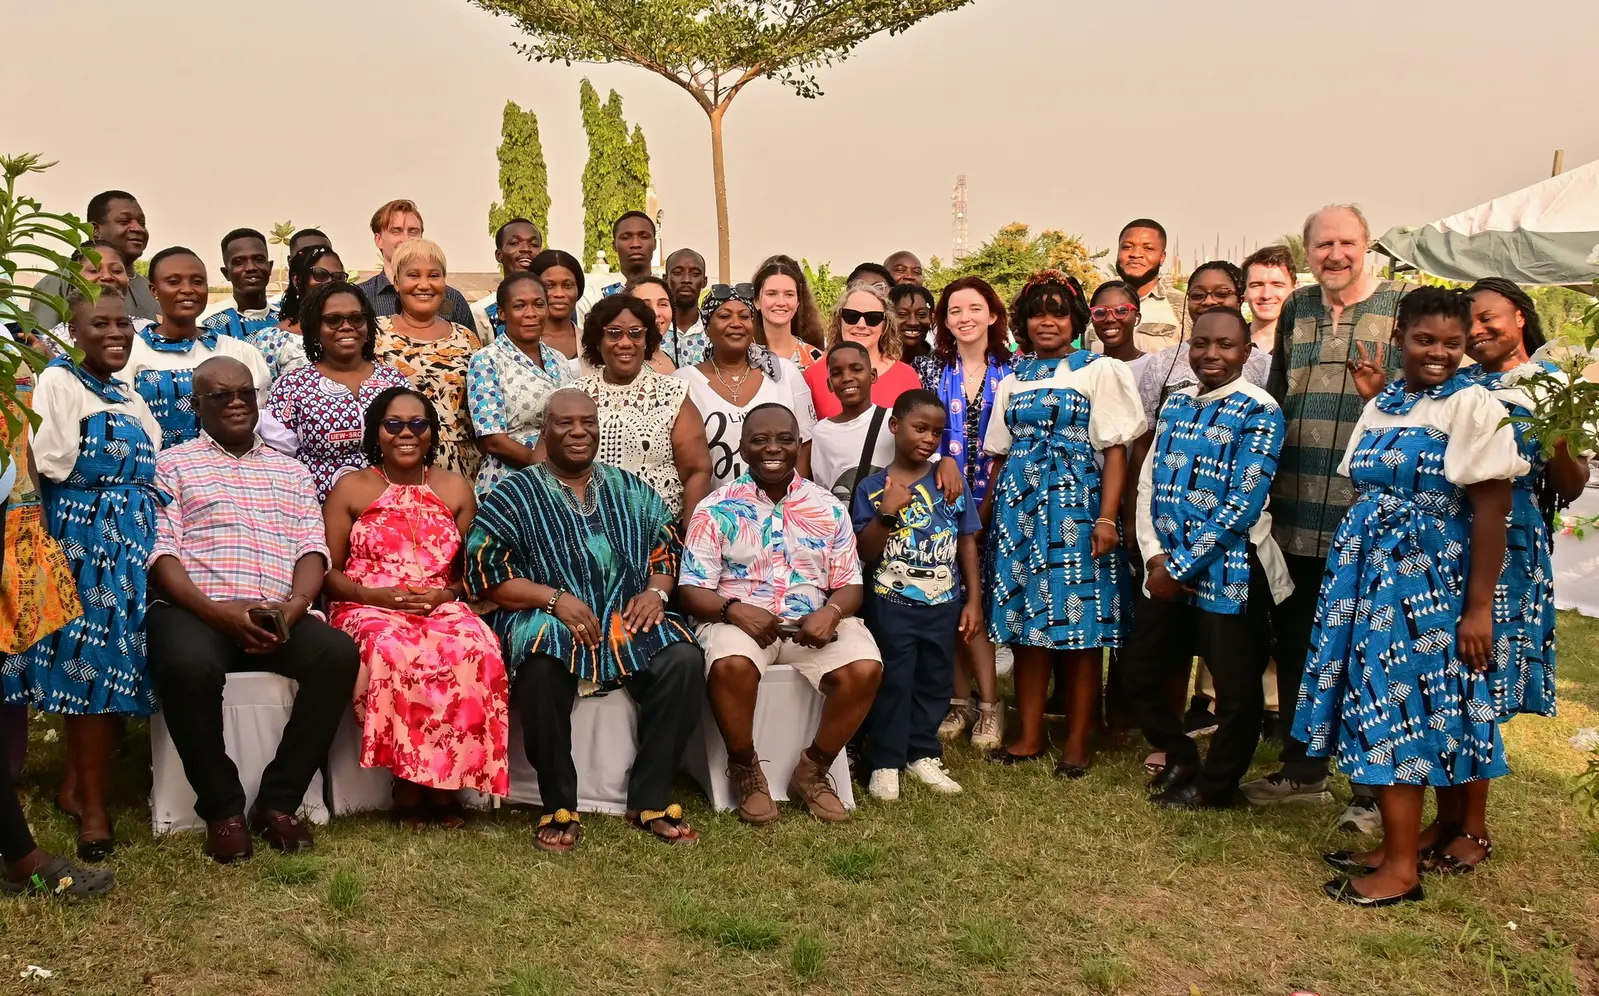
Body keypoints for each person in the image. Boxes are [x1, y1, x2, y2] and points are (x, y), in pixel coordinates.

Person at [1333, 279, 1588, 875]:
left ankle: (1470, 828)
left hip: (1502, 543)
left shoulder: (1546, 386)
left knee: (1478, 685)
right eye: (1464, 322)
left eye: (1485, 318)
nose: (1475, 332)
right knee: (1448, 690)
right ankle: (1442, 823)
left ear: (1521, 317)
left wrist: (1555, 425)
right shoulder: (1455, 385)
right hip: (1445, 537)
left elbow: (1566, 484)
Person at [1294, 287, 1525, 906]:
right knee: (1377, 704)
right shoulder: (1387, 403)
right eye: (1426, 340)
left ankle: (1400, 869)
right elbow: (1362, 483)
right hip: (1369, 579)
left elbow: (1493, 509)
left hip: (1427, 584)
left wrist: (1477, 609)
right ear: (1400, 339)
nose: (1441, 353)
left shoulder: (1473, 403)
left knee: (1400, 712)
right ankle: (1399, 845)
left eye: (1453, 343)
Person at [465, 390, 705, 851]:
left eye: (588, 422)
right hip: (544, 617)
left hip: (624, 617)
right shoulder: (514, 494)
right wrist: (553, 599)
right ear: (545, 430)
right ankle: (559, 803)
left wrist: (657, 592)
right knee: (538, 660)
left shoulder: (629, 487)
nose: (579, 432)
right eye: (565, 423)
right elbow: (487, 574)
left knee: (682, 657)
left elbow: (665, 548)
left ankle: (650, 797)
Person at [146, 357, 359, 861]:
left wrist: (296, 607)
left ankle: (278, 802)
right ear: (197, 405)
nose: (238, 402)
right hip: (197, 608)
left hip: (276, 611)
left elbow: (313, 547)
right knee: (184, 664)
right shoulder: (172, 465)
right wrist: (215, 613)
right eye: (221, 396)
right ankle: (221, 808)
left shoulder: (291, 470)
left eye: (245, 393)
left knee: (337, 655)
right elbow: (161, 553)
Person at [1245, 205, 1411, 834]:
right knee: (1296, 641)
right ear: (1307, 251)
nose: (1334, 255)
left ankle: (1371, 790)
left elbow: (1421, 398)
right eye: (1322, 245)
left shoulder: (1401, 306)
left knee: (1368, 650)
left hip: (1366, 513)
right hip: (1293, 509)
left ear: (1365, 245)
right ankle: (1303, 769)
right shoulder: (1298, 309)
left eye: (1346, 243)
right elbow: (1282, 392)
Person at [1, 288, 162, 862]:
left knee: (121, 660)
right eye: (100, 324)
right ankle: (92, 808)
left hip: (136, 539)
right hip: (88, 540)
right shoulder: (60, 382)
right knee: (93, 666)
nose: (116, 333)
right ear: (74, 332)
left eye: (124, 323)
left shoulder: (128, 392)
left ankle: (75, 784)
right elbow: (51, 462)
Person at [679, 404, 884, 824]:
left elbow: (850, 583)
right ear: (742, 447)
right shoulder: (715, 508)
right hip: (737, 621)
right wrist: (734, 610)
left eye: (784, 439)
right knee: (731, 664)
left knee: (865, 667)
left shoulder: (826, 506)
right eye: (760, 440)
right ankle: (746, 768)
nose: (773, 448)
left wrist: (831, 612)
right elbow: (691, 589)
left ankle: (812, 770)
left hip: (810, 625)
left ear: (797, 445)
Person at [1127, 308, 1290, 809]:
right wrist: (1156, 559)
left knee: (1236, 689)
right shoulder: (1176, 403)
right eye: (1201, 344)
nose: (1211, 355)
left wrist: (1178, 571)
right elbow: (1150, 482)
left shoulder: (1259, 410)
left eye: (1225, 345)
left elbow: (1240, 507)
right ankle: (1179, 754)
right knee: (1139, 668)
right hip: (1167, 568)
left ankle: (1216, 787)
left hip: (1232, 568)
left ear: (1246, 352)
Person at [984, 271, 1145, 775]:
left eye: (1057, 311)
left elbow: (1116, 451)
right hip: (1019, 513)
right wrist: (983, 517)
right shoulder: (1013, 380)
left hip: (1077, 510)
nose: (1046, 321)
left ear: (1075, 320)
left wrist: (1107, 519)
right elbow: (998, 454)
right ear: (1023, 323)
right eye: (1036, 312)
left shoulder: (1099, 371)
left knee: (1082, 629)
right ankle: (1030, 734)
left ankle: (1078, 738)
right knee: (1026, 629)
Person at [325, 386, 509, 828]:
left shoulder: (453, 487)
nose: (405, 433)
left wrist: (447, 596)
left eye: (417, 424)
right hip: (366, 604)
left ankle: (445, 783)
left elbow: (474, 569)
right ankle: (407, 781)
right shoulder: (353, 488)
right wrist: (373, 596)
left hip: (439, 603)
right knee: (393, 651)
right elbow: (327, 572)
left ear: (431, 433)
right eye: (393, 424)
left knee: (475, 648)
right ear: (376, 433)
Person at [852, 390, 982, 800]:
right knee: (894, 679)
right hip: (890, 604)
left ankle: (922, 752)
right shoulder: (872, 487)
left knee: (934, 680)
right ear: (895, 426)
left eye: (937, 432)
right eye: (919, 428)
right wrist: (887, 511)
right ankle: (886, 760)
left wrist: (973, 600)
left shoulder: (949, 480)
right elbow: (863, 553)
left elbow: (966, 542)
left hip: (943, 602)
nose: (928, 438)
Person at [920, 277, 1013, 748]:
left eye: (975, 308)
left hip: (1002, 503)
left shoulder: (1017, 370)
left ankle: (991, 709)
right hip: (947, 501)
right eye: (955, 310)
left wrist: (991, 497)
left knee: (987, 606)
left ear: (992, 315)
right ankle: (959, 703)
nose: (965, 317)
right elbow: (924, 430)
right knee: (952, 601)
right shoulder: (934, 371)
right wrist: (946, 459)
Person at [262, 282, 410, 502]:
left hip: (390, 511)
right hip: (316, 511)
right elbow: (276, 461)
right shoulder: (292, 386)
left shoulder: (394, 381)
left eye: (356, 318)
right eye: (333, 320)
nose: (346, 326)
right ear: (314, 327)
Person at [573, 294, 712, 519]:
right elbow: (546, 467)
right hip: (588, 531)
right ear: (598, 340)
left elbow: (697, 470)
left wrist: (688, 532)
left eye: (635, 333)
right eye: (614, 333)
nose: (625, 342)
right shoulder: (575, 396)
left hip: (659, 535)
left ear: (647, 340)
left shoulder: (672, 393)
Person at [674, 283, 817, 489]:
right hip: (717, 514)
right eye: (724, 316)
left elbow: (806, 445)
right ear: (706, 327)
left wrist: (791, 501)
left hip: (780, 509)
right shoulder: (683, 382)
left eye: (744, 316)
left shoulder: (784, 372)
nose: (736, 323)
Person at [127, 247, 270, 451]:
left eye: (197, 281)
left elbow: (258, 424)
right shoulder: (132, 352)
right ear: (154, 290)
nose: (187, 289)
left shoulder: (237, 352)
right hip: (153, 474)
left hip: (226, 475)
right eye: (174, 282)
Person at [373, 239, 483, 481]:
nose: (424, 285)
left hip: (463, 468)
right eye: (414, 275)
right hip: (395, 463)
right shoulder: (375, 334)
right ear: (397, 282)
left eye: (434, 275)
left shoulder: (466, 338)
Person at [466, 272, 575, 495]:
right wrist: (547, 469)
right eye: (519, 306)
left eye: (538, 304)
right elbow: (492, 440)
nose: (531, 314)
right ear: (502, 313)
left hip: (563, 481)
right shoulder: (487, 360)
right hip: (510, 481)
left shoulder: (559, 360)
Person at [1135, 261, 1273, 428]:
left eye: (1221, 293)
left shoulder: (1264, 365)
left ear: (1240, 300)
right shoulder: (1161, 364)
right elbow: (1147, 437)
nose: (1208, 301)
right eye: (1198, 295)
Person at [27, 190, 156, 325]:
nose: (138, 228)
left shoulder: (153, 289)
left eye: (142, 223)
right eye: (125, 221)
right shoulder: (61, 281)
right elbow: (42, 341)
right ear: (95, 230)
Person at [356, 199, 479, 335]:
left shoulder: (452, 299)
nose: (406, 238)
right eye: (396, 231)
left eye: (413, 231)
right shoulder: (360, 297)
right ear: (378, 240)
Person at [805, 282, 922, 420]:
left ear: (885, 324)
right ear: (839, 320)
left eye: (872, 318)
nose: (861, 325)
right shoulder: (812, 376)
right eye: (851, 316)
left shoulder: (906, 377)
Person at [32, 241, 155, 358]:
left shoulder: (150, 331)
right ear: (75, 280)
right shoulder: (55, 343)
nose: (107, 276)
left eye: (117, 271)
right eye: (94, 270)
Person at [255, 244, 348, 381]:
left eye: (338, 277)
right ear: (297, 280)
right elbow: (262, 396)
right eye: (320, 274)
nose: (331, 282)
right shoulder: (272, 339)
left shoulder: (354, 331)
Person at [1109, 219, 1187, 353]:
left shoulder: (1182, 306)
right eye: (1127, 247)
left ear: (1162, 257)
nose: (1135, 254)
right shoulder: (1098, 307)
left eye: (1148, 248)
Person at [752, 255, 827, 371]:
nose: (781, 302)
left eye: (789, 294)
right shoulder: (742, 359)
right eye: (771, 294)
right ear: (756, 301)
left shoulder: (818, 361)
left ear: (798, 302)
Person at [203, 228, 278, 341]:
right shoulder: (210, 327)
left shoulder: (290, 319)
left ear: (270, 267)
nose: (251, 267)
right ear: (226, 273)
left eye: (258, 259)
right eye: (239, 262)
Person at [477, 217, 543, 339]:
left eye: (533, 244)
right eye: (514, 243)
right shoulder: (480, 313)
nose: (526, 249)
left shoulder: (555, 306)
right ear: (499, 255)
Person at [582, 212, 659, 309]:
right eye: (626, 237)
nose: (635, 244)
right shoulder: (593, 293)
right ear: (614, 245)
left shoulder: (666, 291)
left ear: (655, 243)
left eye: (644, 237)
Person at [529, 249, 586, 366]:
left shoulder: (595, 343)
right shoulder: (517, 345)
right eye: (549, 286)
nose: (559, 294)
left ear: (578, 290)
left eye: (568, 285)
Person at [1242, 244, 1297, 354]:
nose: (1266, 295)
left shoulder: (1311, 346)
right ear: (1245, 291)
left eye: (1277, 285)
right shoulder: (1228, 346)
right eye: (1257, 285)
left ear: (1294, 289)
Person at [621, 274, 679, 374]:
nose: (656, 313)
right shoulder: (624, 362)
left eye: (663, 304)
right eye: (645, 305)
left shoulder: (667, 356)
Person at [663, 248, 710, 366]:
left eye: (695, 274)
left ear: (704, 282)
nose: (686, 280)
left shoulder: (713, 331)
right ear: (665, 279)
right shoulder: (653, 330)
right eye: (677, 273)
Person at [889, 283, 934, 364]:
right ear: (887, 317)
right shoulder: (874, 362)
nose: (913, 323)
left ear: (931, 317)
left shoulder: (944, 365)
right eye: (902, 314)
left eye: (921, 314)